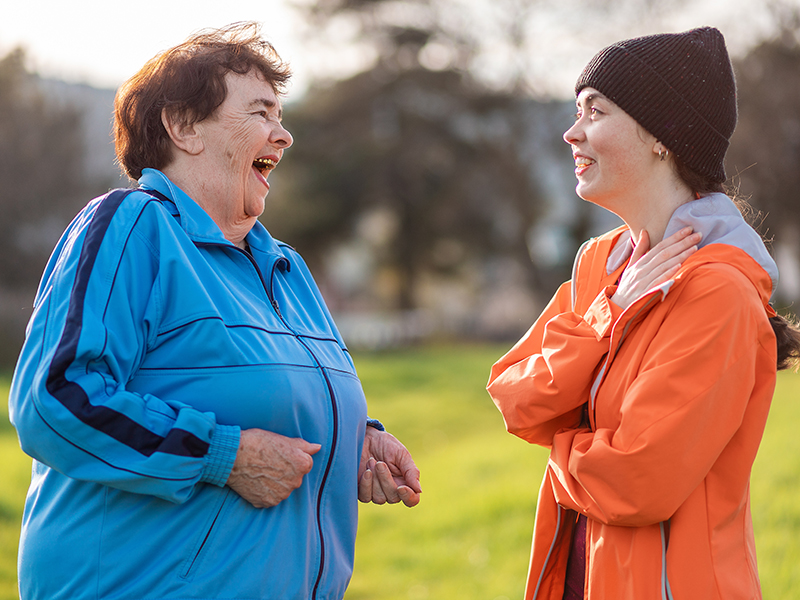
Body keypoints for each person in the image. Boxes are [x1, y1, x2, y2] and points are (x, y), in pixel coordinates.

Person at [8, 22, 421, 600]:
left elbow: (271, 395)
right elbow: (54, 400)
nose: (284, 135)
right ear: (183, 127)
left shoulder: (287, 268)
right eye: (260, 113)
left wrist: (355, 439)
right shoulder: (134, 226)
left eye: (281, 116)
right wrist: (224, 456)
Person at [487, 27, 800, 600]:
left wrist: (561, 443)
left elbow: (635, 480)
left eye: (595, 111)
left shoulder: (719, 292)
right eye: (576, 112)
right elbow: (515, 397)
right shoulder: (600, 265)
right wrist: (608, 314)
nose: (571, 132)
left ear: (661, 137)